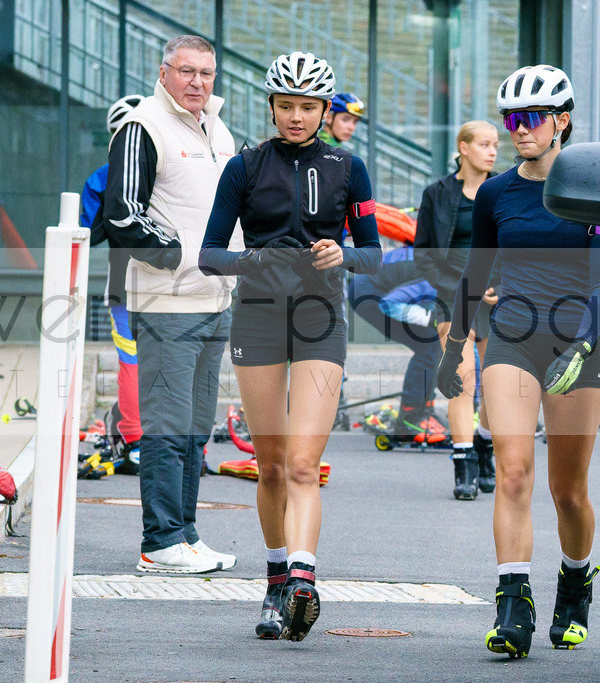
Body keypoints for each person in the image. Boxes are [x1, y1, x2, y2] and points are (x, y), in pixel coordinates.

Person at [436, 65, 600, 657]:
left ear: (561, 122)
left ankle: (575, 582)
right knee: (513, 472)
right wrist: (454, 347)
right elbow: (476, 272)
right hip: (512, 339)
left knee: (568, 490)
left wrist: (586, 343)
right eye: (510, 118)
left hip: (577, 346)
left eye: (531, 119)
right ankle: (512, 603)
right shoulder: (496, 192)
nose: (517, 130)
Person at [198, 51, 382, 642]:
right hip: (256, 317)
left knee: (304, 463)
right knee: (272, 465)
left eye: (308, 107)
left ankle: (303, 579)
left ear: (325, 110)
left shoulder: (349, 167)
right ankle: (275, 577)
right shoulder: (244, 167)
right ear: (272, 107)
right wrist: (259, 258)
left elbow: (373, 254)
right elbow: (209, 255)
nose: (296, 117)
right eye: (286, 106)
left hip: (320, 318)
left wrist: (344, 254)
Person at [103, 35, 240, 575]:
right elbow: (123, 216)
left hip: (216, 301)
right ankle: (159, 541)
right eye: (186, 72)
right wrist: (194, 258)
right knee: (166, 424)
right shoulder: (143, 126)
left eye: (206, 73)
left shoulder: (217, 128)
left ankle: (184, 534)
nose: (197, 83)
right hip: (167, 301)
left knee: (196, 426)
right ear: (164, 73)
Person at [414, 120, 498, 500]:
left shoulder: (503, 191)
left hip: (499, 296)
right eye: (484, 144)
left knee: (496, 385)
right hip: (453, 295)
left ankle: (485, 449)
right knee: (462, 378)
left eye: (495, 144)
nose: (493, 151)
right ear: (463, 148)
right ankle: (463, 462)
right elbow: (425, 256)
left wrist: (502, 286)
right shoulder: (437, 194)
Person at [80, 94, 145, 473]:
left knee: (131, 361)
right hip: (171, 280)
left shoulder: (101, 178)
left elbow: (88, 232)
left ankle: (136, 444)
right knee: (173, 361)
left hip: (125, 281)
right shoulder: (171, 165)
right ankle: (184, 448)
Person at [348, 244, 442, 439]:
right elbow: (390, 304)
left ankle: (423, 411)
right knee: (429, 345)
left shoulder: (446, 268)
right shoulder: (436, 278)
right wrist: (432, 318)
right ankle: (410, 418)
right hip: (368, 292)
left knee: (433, 343)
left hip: (384, 285)